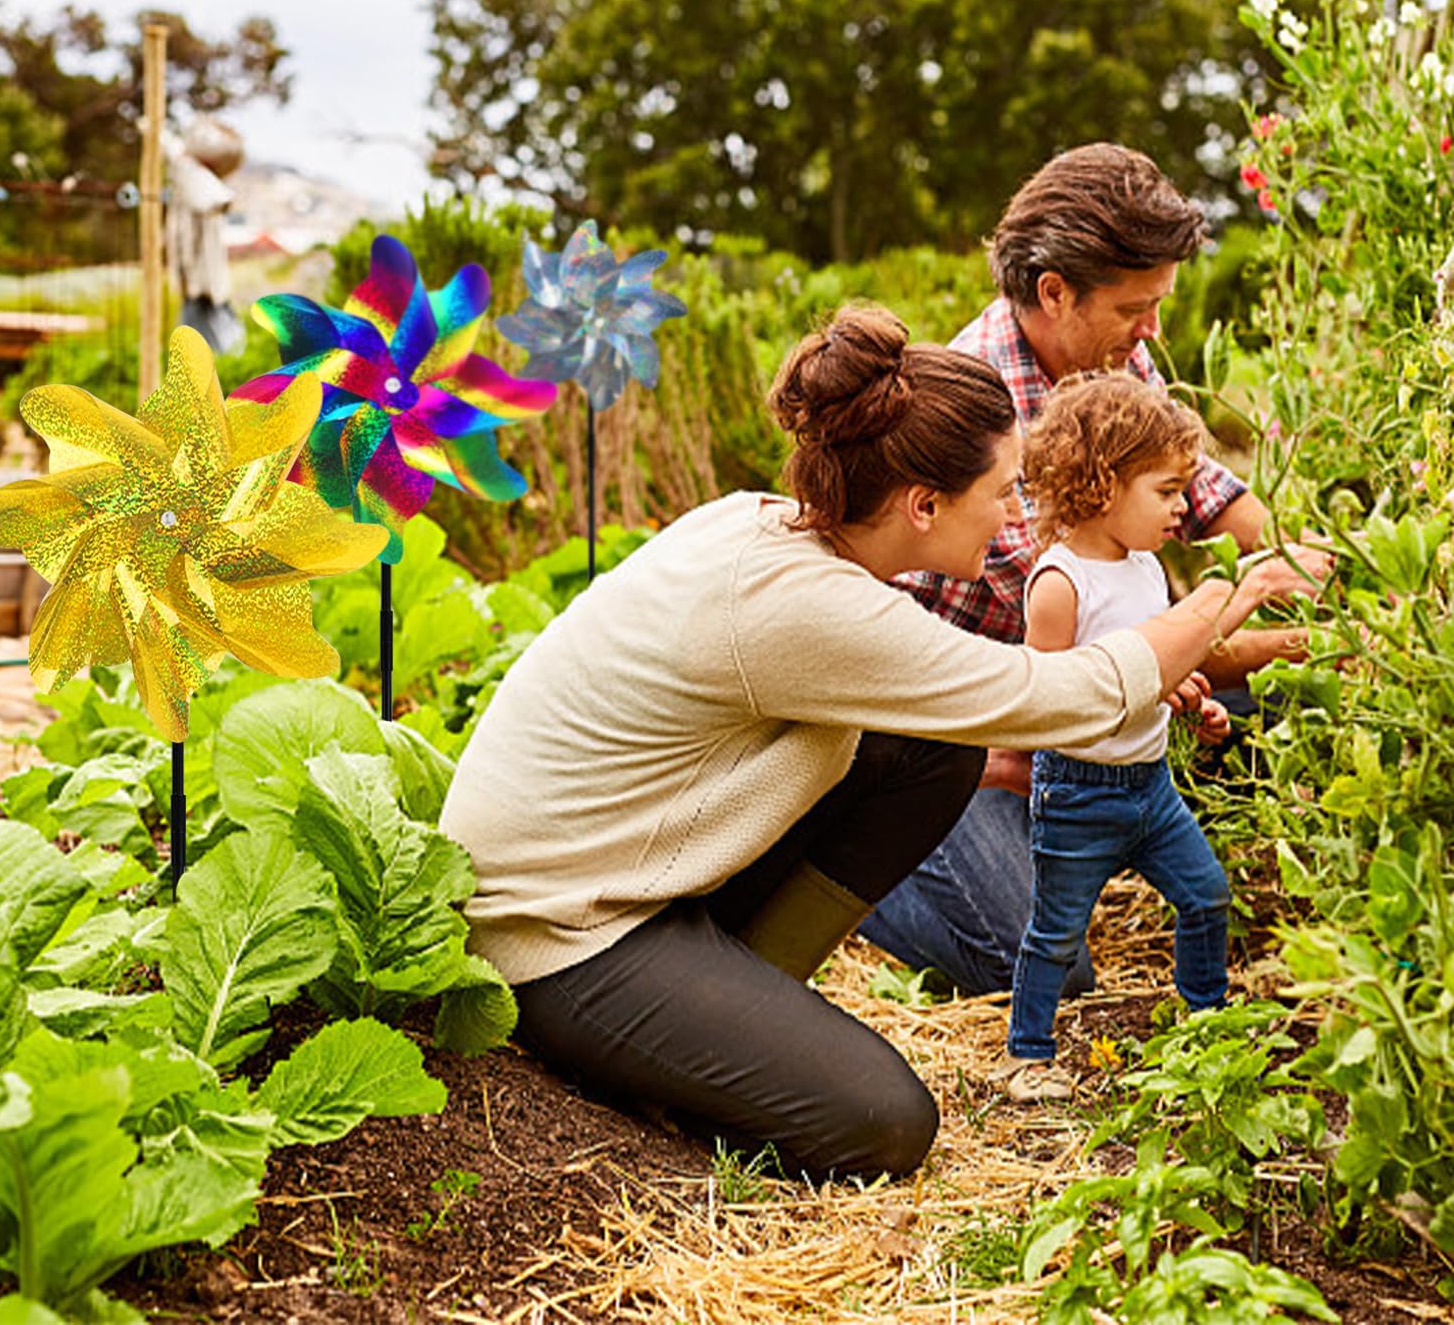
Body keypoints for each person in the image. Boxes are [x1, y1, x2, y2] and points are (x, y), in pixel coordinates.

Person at [438, 304, 1327, 1180]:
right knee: (884, 1124)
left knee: (931, 752)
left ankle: (738, 998)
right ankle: (681, 1055)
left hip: (630, 865)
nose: (1017, 516)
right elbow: (1065, 695)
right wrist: (1228, 597)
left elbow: (987, 716)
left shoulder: (774, 528)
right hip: (555, 933)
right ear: (924, 505)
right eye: (1001, 492)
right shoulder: (808, 606)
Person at [862, 143, 1304, 1000]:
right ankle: (856, 871)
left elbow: (1216, 496)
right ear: (1055, 292)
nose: (1155, 334)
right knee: (1048, 967)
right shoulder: (978, 421)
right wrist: (1280, 639)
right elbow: (1119, 654)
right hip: (954, 740)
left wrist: (1309, 565)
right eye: (1137, 308)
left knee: (1261, 711)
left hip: (1072, 704)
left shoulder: (1103, 360)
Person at [997, 374, 1235, 1100]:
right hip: (1079, 791)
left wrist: (1184, 691)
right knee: (1057, 933)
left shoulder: (1146, 568)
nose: (1183, 508)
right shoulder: (1061, 584)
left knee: (1207, 896)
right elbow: (1051, 702)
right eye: (1166, 491)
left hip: (1150, 785)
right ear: (1103, 486)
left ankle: (1206, 1018)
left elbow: (1146, 665)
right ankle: (1026, 1055)